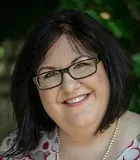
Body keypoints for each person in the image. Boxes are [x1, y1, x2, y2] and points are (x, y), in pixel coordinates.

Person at [0, 9, 140, 160]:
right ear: (34, 89)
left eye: (80, 65)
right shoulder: (15, 149)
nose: (69, 87)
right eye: (49, 74)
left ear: (109, 66)